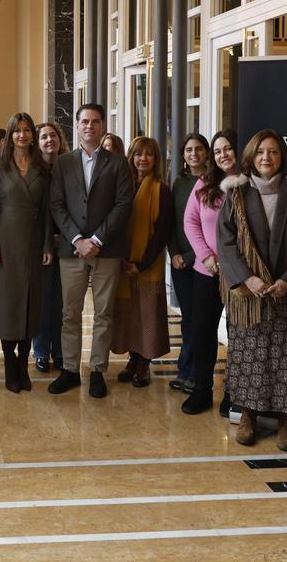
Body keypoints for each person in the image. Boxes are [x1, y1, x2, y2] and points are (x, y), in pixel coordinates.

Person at [216, 129, 287, 450]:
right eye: (260, 153)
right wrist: (248, 279)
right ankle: (248, 416)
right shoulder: (236, 193)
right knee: (249, 356)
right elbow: (226, 242)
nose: (266, 159)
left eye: (273, 152)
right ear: (251, 157)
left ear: (282, 157)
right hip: (251, 294)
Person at [48, 103, 134, 398]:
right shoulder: (62, 163)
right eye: (84, 121)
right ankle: (70, 370)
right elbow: (56, 205)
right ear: (76, 125)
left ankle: (98, 370)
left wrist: (96, 239)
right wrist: (77, 239)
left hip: (106, 251)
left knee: (103, 314)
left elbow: (124, 204)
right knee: (69, 313)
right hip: (71, 251)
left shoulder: (118, 163)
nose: (90, 126)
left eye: (95, 122)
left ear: (102, 126)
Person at [0, 112, 54, 392]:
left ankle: (23, 363)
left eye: (27, 130)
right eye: (17, 130)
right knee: (6, 306)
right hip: (4, 244)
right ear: (10, 134)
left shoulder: (42, 168)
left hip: (34, 243)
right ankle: (10, 365)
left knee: (30, 305)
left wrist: (48, 244)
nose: (22, 135)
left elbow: (48, 211)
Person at [180, 130, 238, 417]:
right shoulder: (205, 182)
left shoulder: (250, 183)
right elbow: (190, 222)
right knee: (203, 331)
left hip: (241, 274)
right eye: (218, 151)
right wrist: (207, 256)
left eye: (228, 148)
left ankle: (233, 394)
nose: (223, 154)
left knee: (238, 334)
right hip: (207, 270)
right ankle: (201, 390)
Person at [110, 136, 173, 387]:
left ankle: (144, 363)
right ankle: (132, 359)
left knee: (147, 316)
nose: (142, 159)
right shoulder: (122, 187)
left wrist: (142, 263)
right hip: (123, 262)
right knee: (128, 316)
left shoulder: (162, 190)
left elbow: (162, 233)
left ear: (156, 159)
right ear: (131, 157)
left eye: (148, 155)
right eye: (138, 154)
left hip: (148, 264)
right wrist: (123, 258)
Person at [168, 132, 210, 393]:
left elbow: (211, 230)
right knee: (187, 318)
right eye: (188, 150)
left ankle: (196, 373)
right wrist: (174, 253)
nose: (193, 154)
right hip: (179, 261)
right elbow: (173, 223)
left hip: (203, 262)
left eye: (198, 149)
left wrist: (192, 256)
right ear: (183, 156)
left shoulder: (214, 182)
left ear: (206, 153)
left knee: (200, 320)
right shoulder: (179, 183)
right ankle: (185, 370)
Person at [32, 122, 69, 372]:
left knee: (64, 302)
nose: (49, 140)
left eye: (52, 135)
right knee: (43, 301)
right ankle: (42, 351)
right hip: (38, 245)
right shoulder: (32, 170)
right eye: (43, 136)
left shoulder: (69, 167)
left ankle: (61, 350)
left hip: (67, 242)